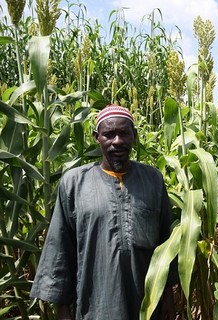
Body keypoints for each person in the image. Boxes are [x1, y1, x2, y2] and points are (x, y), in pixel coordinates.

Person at [31, 105, 177, 319]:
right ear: (96, 138)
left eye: (124, 133)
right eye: (109, 134)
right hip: (95, 307)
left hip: (146, 307)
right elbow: (61, 249)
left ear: (134, 136)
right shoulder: (74, 184)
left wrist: (168, 298)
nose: (117, 141)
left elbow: (166, 245)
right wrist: (63, 310)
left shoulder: (153, 180)